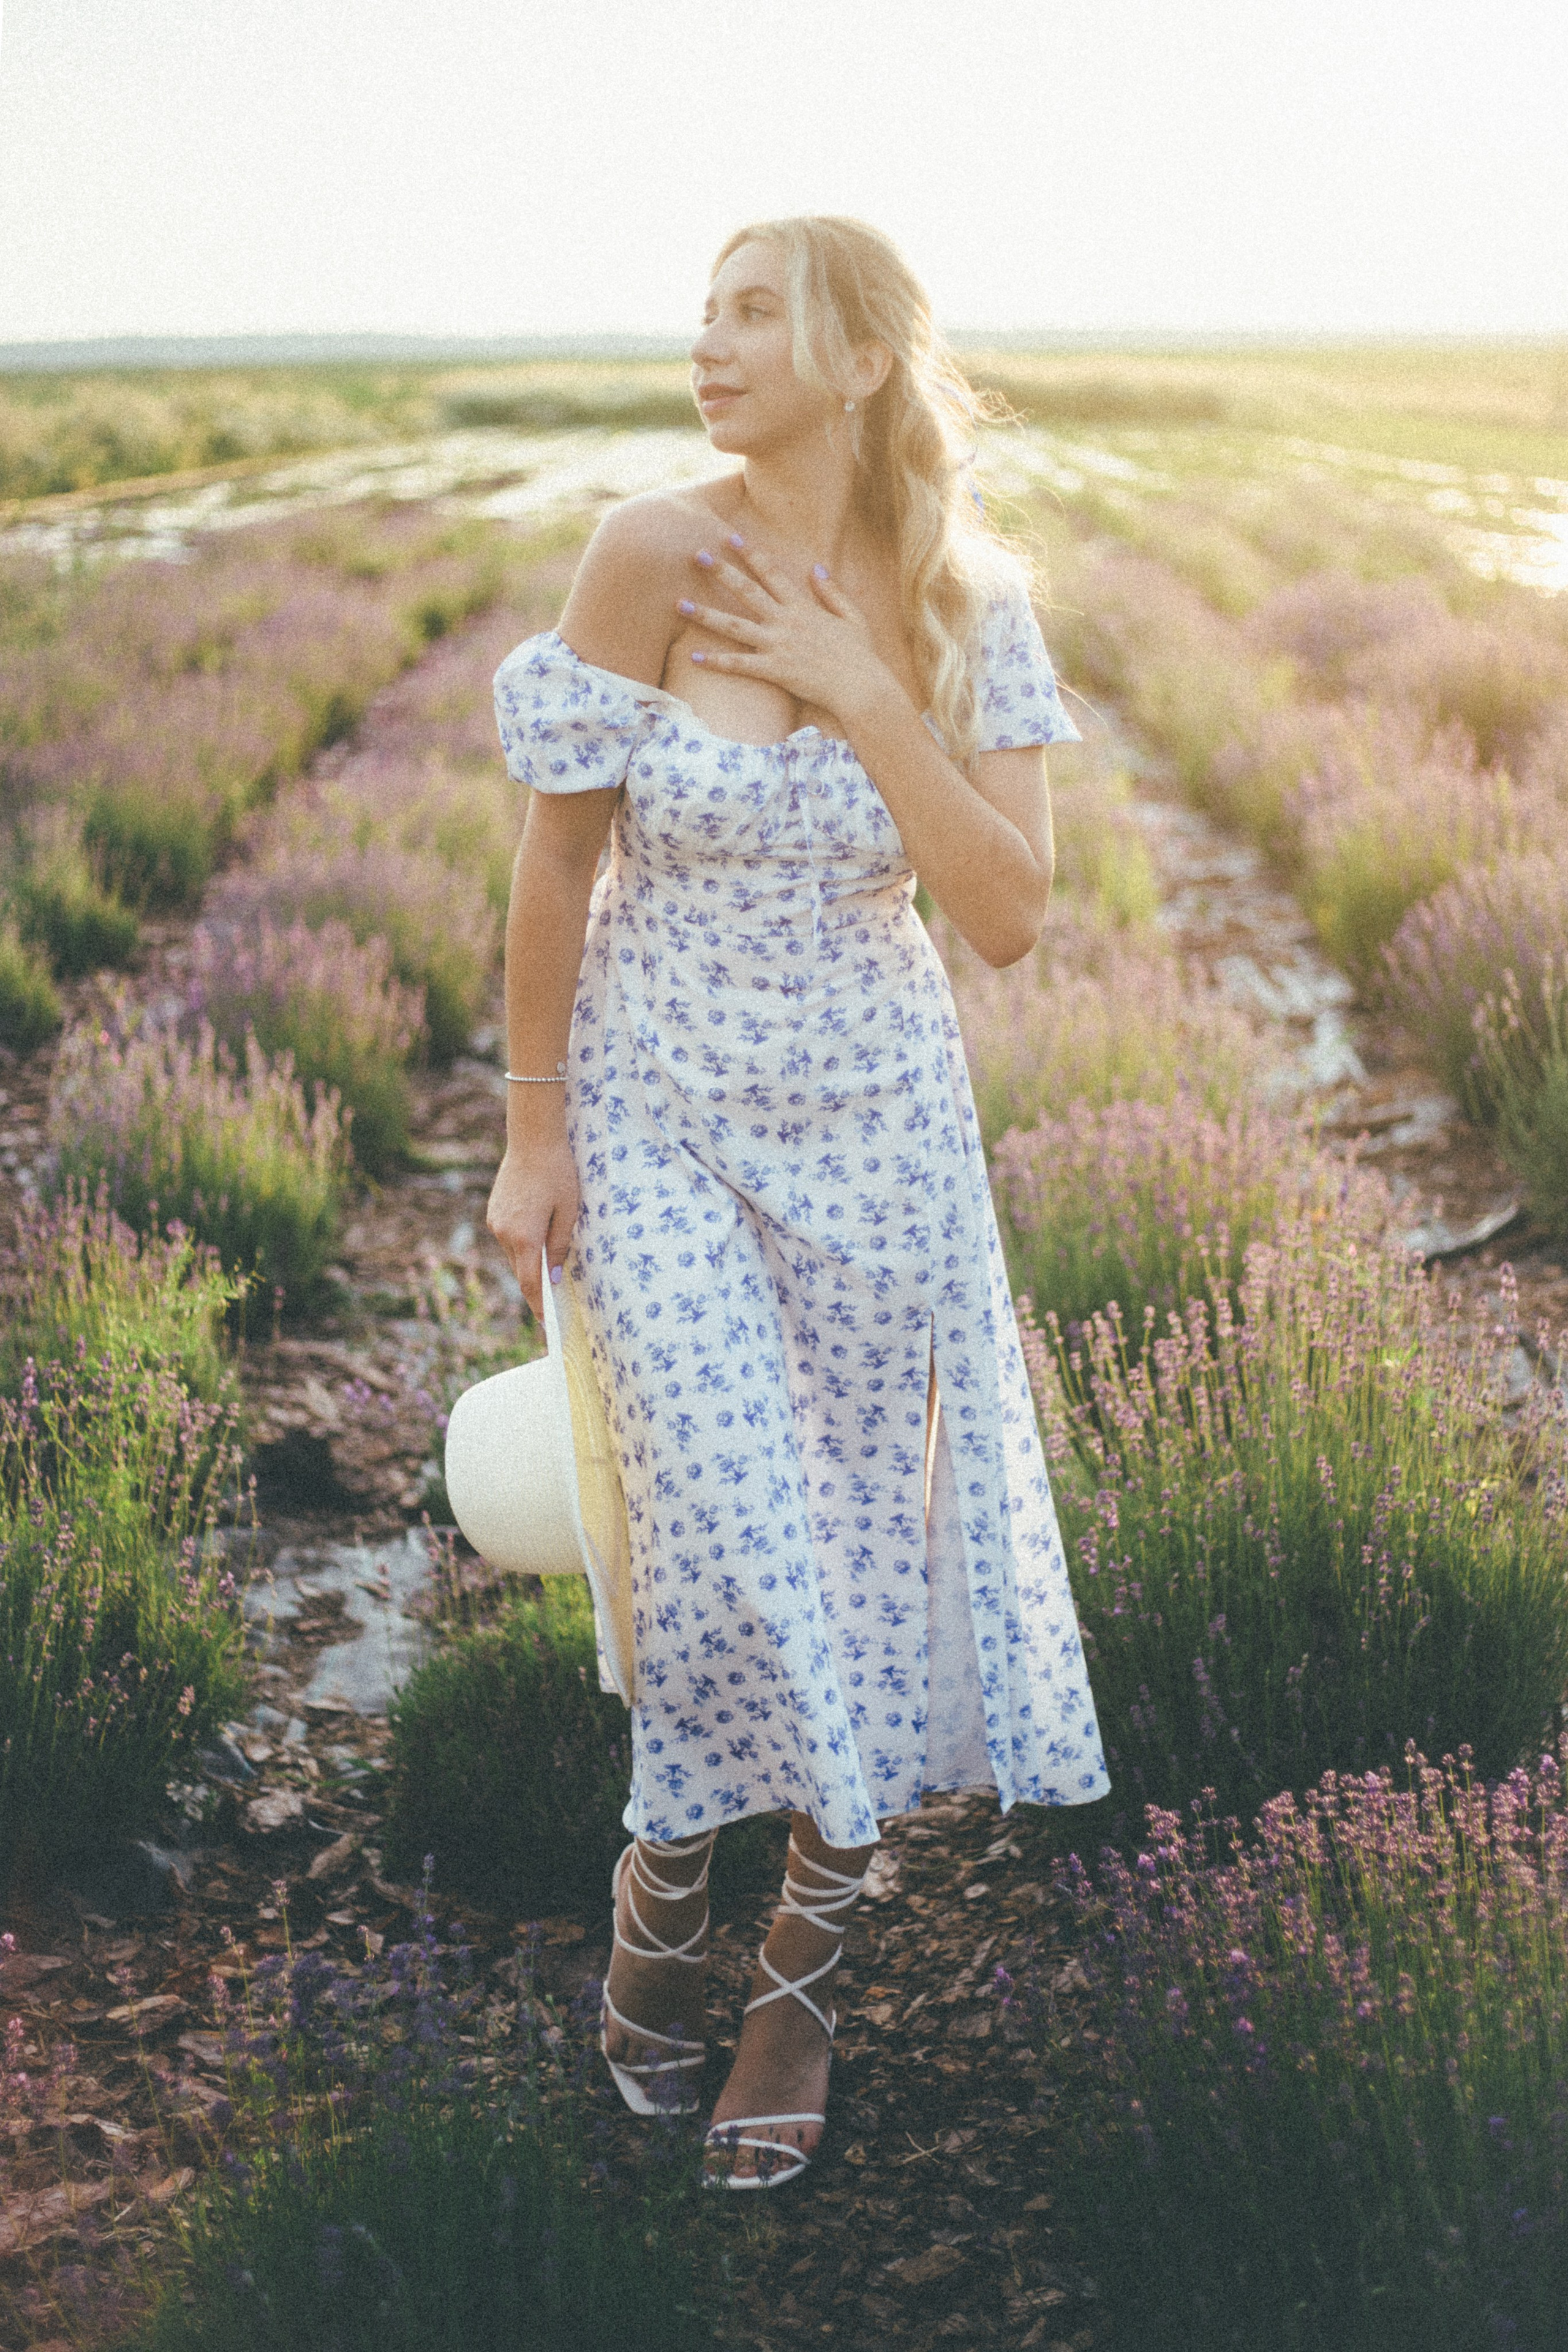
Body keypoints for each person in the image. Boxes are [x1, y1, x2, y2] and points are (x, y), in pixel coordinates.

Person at [486, 214, 1109, 2190]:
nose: (710, 339)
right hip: (660, 1120)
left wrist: (862, 688)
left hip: (881, 1143)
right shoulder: (651, 554)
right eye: (706, 307)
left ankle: (799, 1986)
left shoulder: (968, 599)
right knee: (731, 1546)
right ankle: (659, 1910)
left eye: (757, 310)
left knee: (861, 1566)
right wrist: (531, 1128)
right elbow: (556, 872)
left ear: (860, 357)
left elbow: (1007, 917)